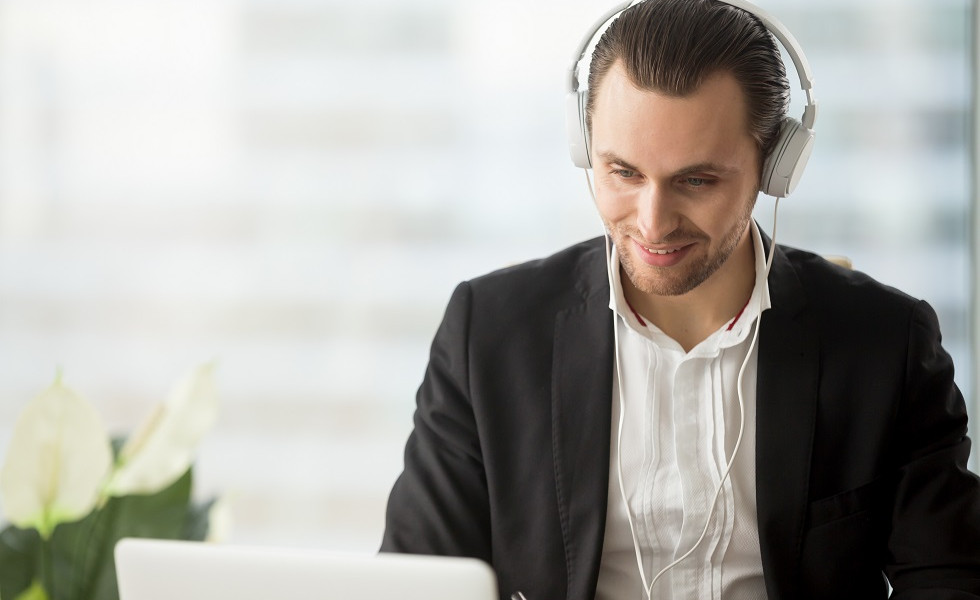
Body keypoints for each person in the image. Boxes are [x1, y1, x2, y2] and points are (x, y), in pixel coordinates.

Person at [380, 1, 980, 599]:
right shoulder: (487, 332)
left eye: (696, 180)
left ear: (776, 166)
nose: (652, 223)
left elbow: (949, 579)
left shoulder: (885, 342)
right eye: (623, 172)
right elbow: (420, 581)